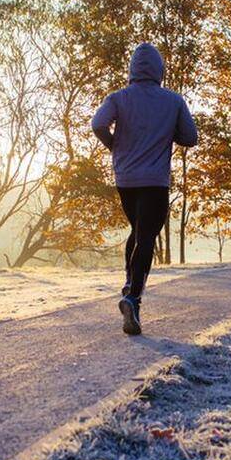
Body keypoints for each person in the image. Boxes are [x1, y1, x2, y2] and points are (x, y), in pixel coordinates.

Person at [91, 42, 198, 335]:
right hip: (155, 180)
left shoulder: (118, 98)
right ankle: (132, 297)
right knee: (147, 236)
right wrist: (167, 129)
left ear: (132, 69)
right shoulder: (173, 101)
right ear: (159, 70)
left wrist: (115, 147)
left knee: (139, 231)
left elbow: (98, 123)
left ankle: (129, 282)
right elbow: (190, 137)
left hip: (125, 179)